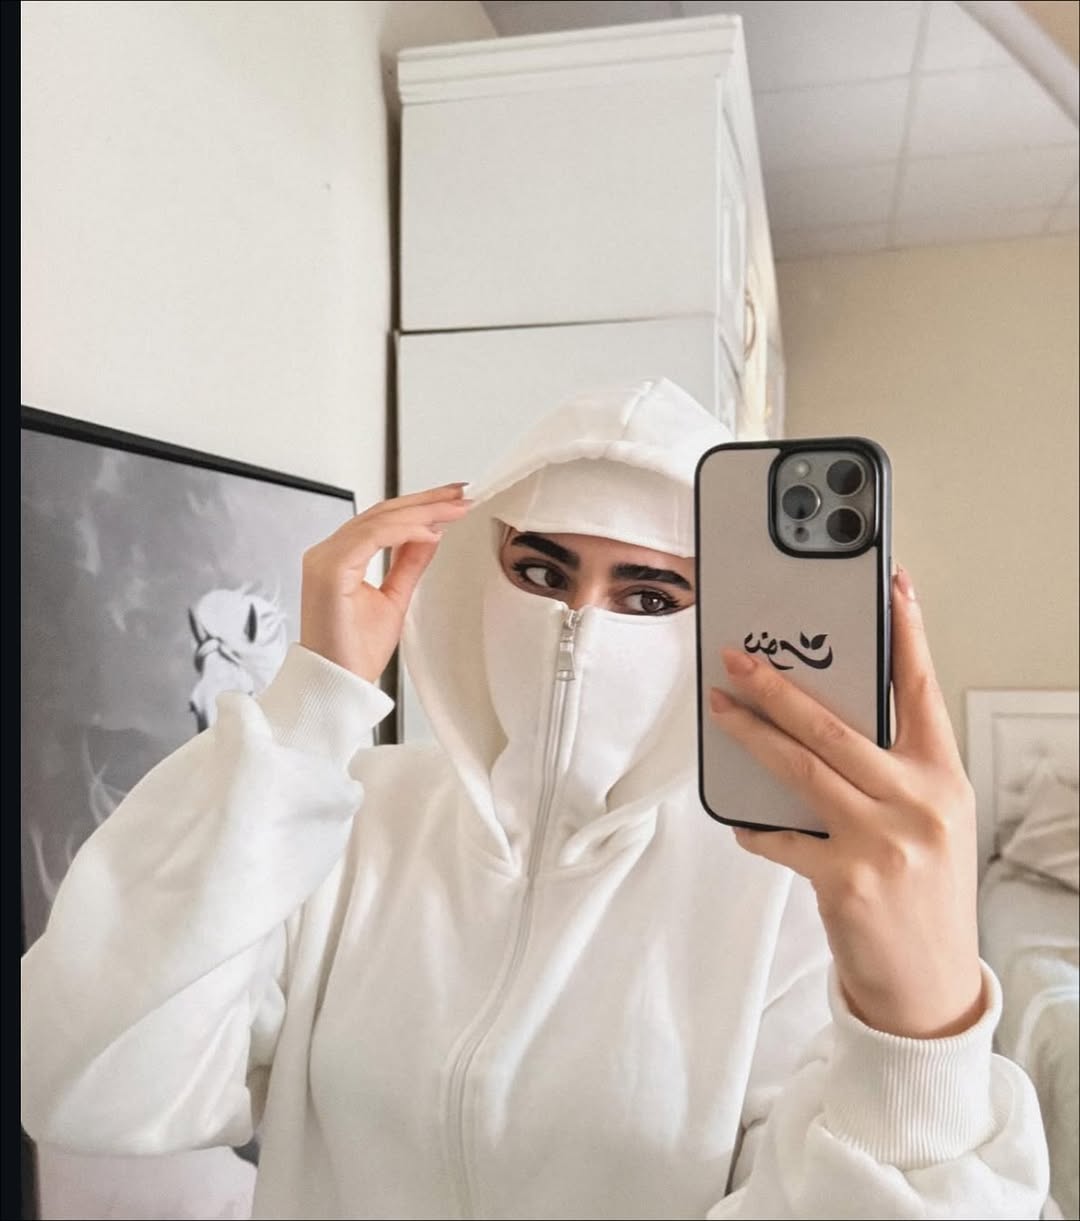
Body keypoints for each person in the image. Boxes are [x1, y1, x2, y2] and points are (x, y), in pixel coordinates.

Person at [22, 379, 1049, 1220]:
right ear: (482, 573)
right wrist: (307, 717)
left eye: (651, 595)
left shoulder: (783, 890)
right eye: (542, 572)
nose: (582, 625)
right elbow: (90, 1079)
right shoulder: (348, 813)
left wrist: (920, 1036)